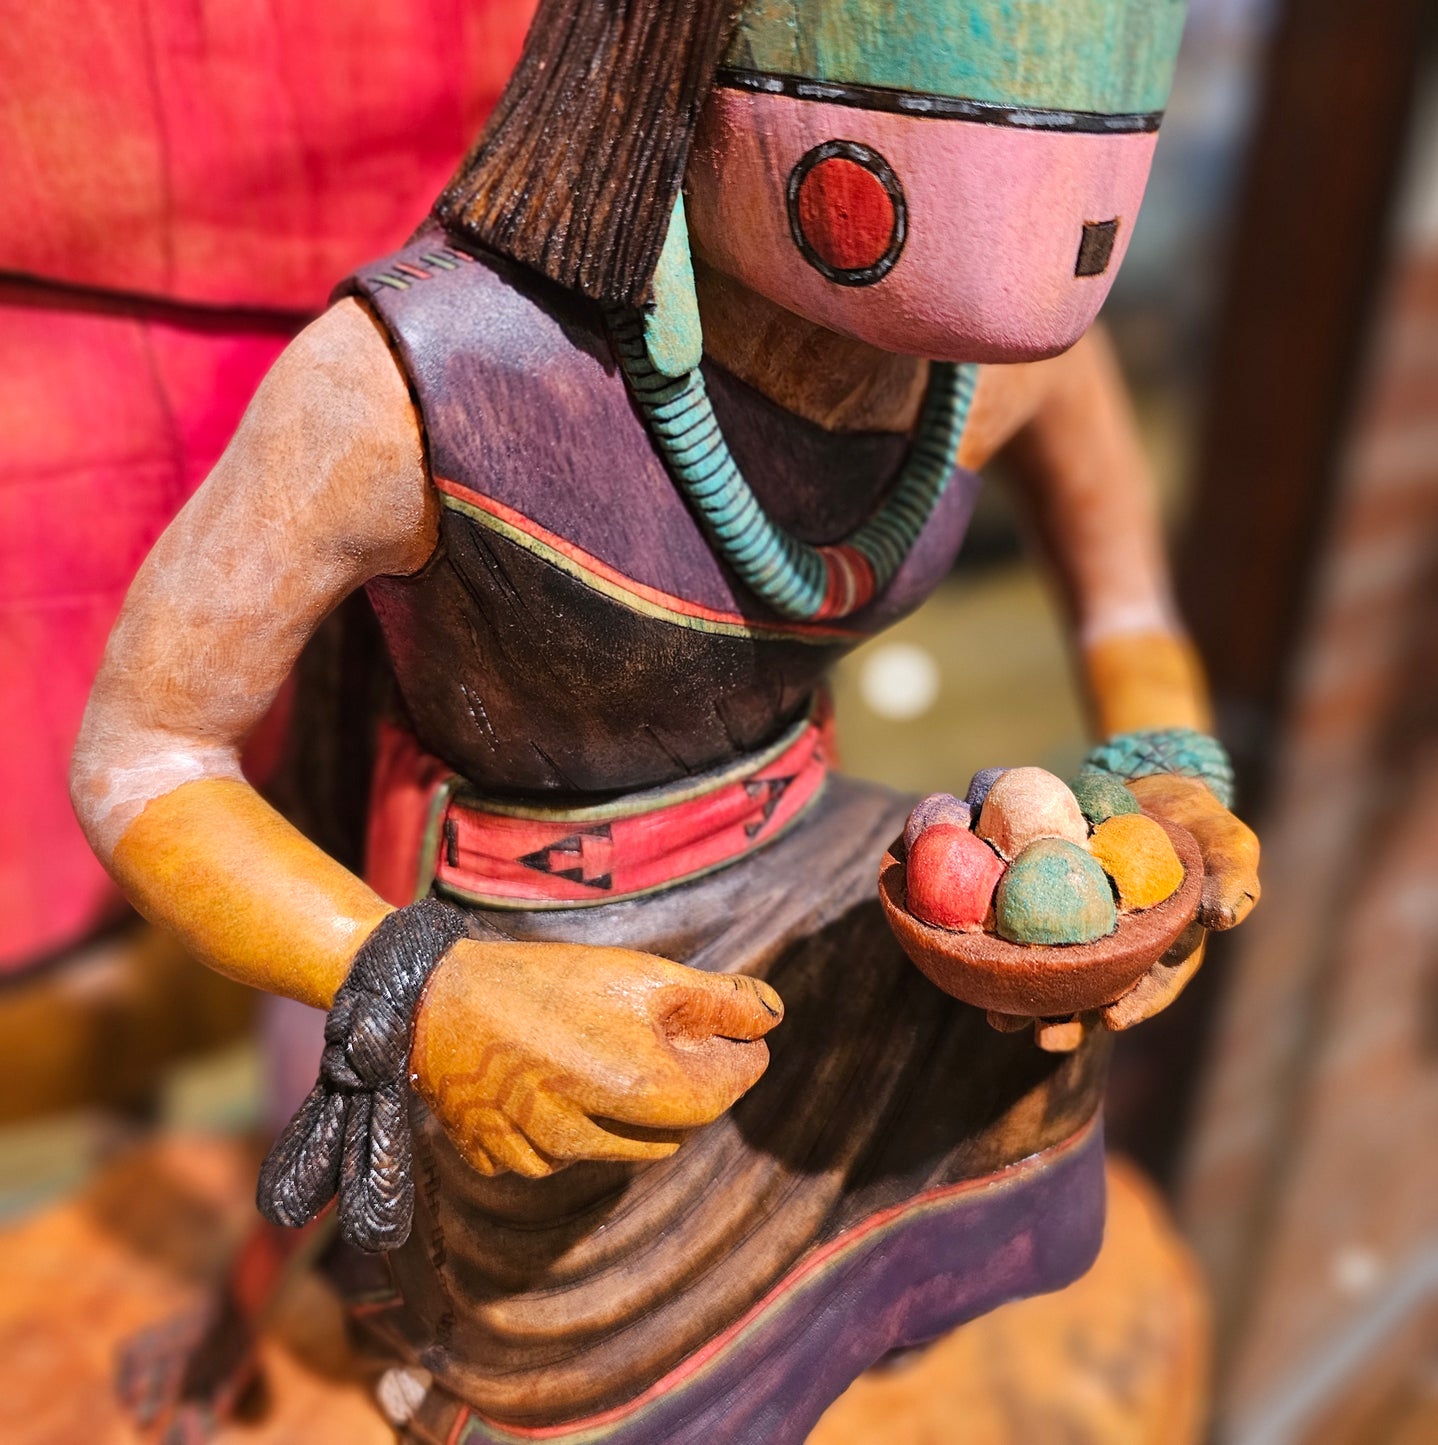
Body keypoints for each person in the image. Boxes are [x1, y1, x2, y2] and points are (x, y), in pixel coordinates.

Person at [72, 3, 1258, 1441]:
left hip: (825, 864)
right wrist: (436, 996)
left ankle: (866, 1324)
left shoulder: (999, 360)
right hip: (531, 950)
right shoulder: (426, 383)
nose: (1024, 264)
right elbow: (144, 755)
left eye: (1085, 229)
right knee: (581, 1334)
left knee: (1024, 1038)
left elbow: (1127, 613)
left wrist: (1167, 777)